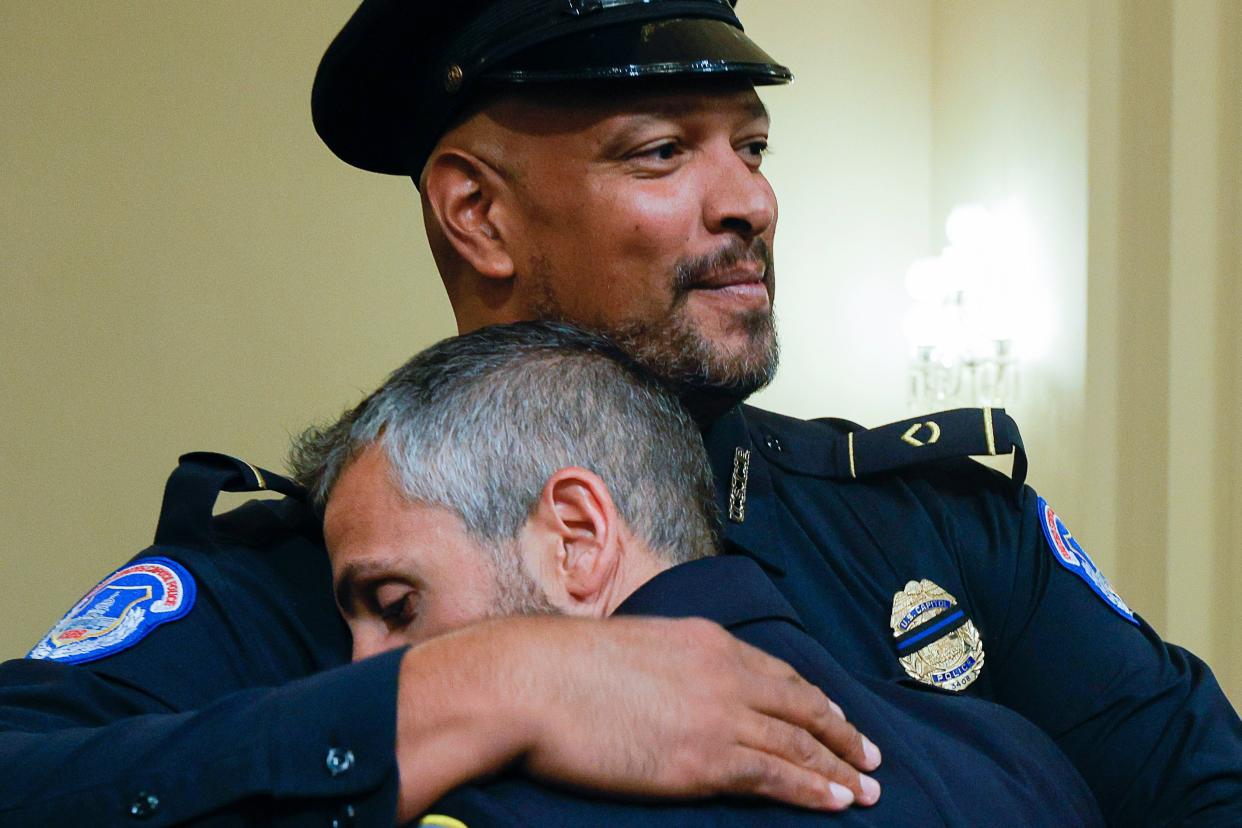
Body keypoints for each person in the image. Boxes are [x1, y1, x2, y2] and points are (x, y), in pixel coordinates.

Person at [0, 0, 1238, 825]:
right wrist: (472, 692)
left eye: (749, 144)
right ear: (477, 214)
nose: (748, 198)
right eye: (659, 151)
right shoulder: (314, 576)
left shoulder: (936, 526)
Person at [295, 319, 1104, 826]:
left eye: (396, 605)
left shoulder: (485, 807)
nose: (365, 667)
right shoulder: (1014, 754)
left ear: (576, 538)